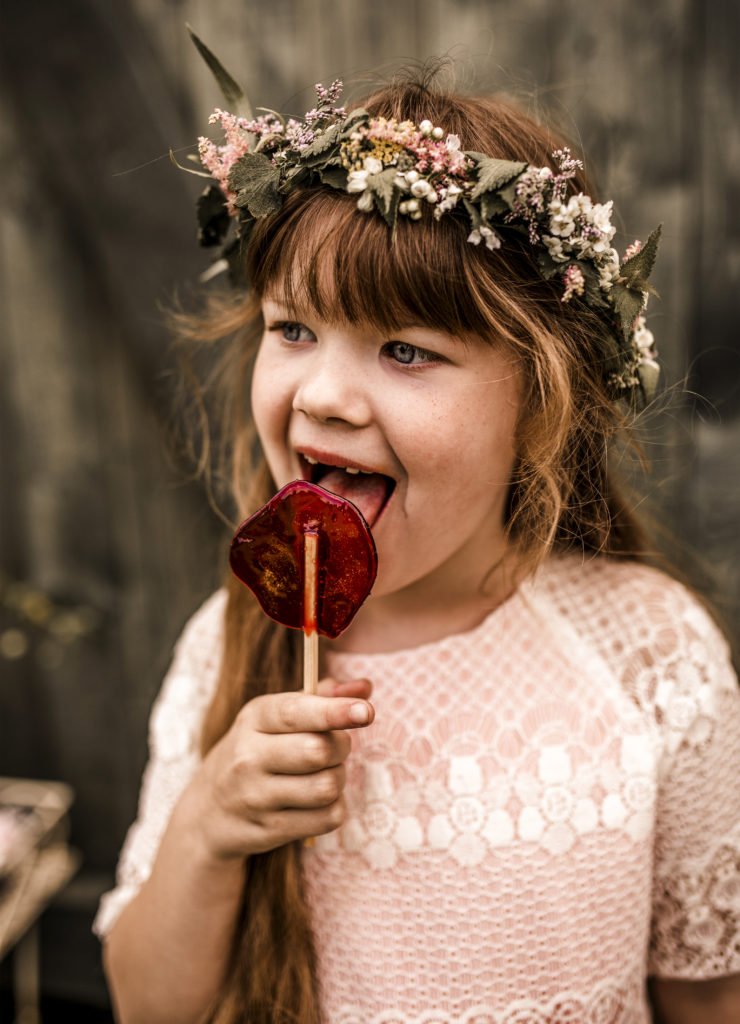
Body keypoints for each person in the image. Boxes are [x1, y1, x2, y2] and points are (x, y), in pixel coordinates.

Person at [93, 57, 740, 1024]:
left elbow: (710, 995)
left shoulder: (651, 656)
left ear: (542, 405)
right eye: (293, 329)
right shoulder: (222, 652)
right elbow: (147, 1006)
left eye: (405, 350)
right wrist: (210, 827)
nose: (322, 396)